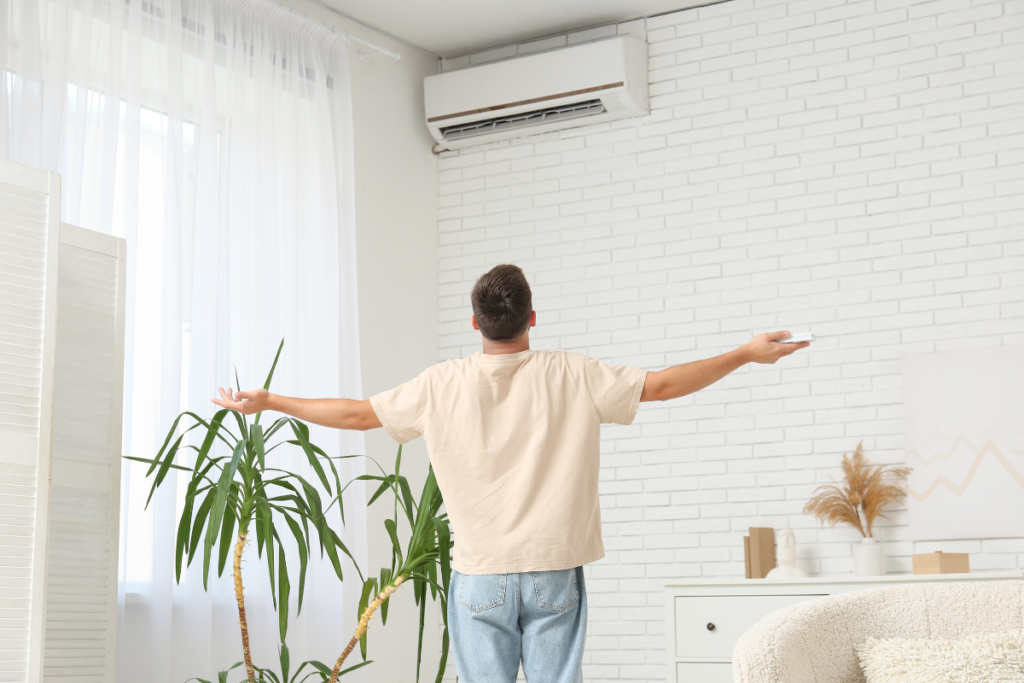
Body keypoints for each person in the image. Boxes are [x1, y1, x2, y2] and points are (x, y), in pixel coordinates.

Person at [212, 263, 810, 683]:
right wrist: (743, 353)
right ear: (532, 317)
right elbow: (663, 385)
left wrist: (272, 401)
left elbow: (357, 415)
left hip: (479, 577)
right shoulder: (573, 374)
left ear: (476, 323)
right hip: (553, 571)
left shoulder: (439, 384)